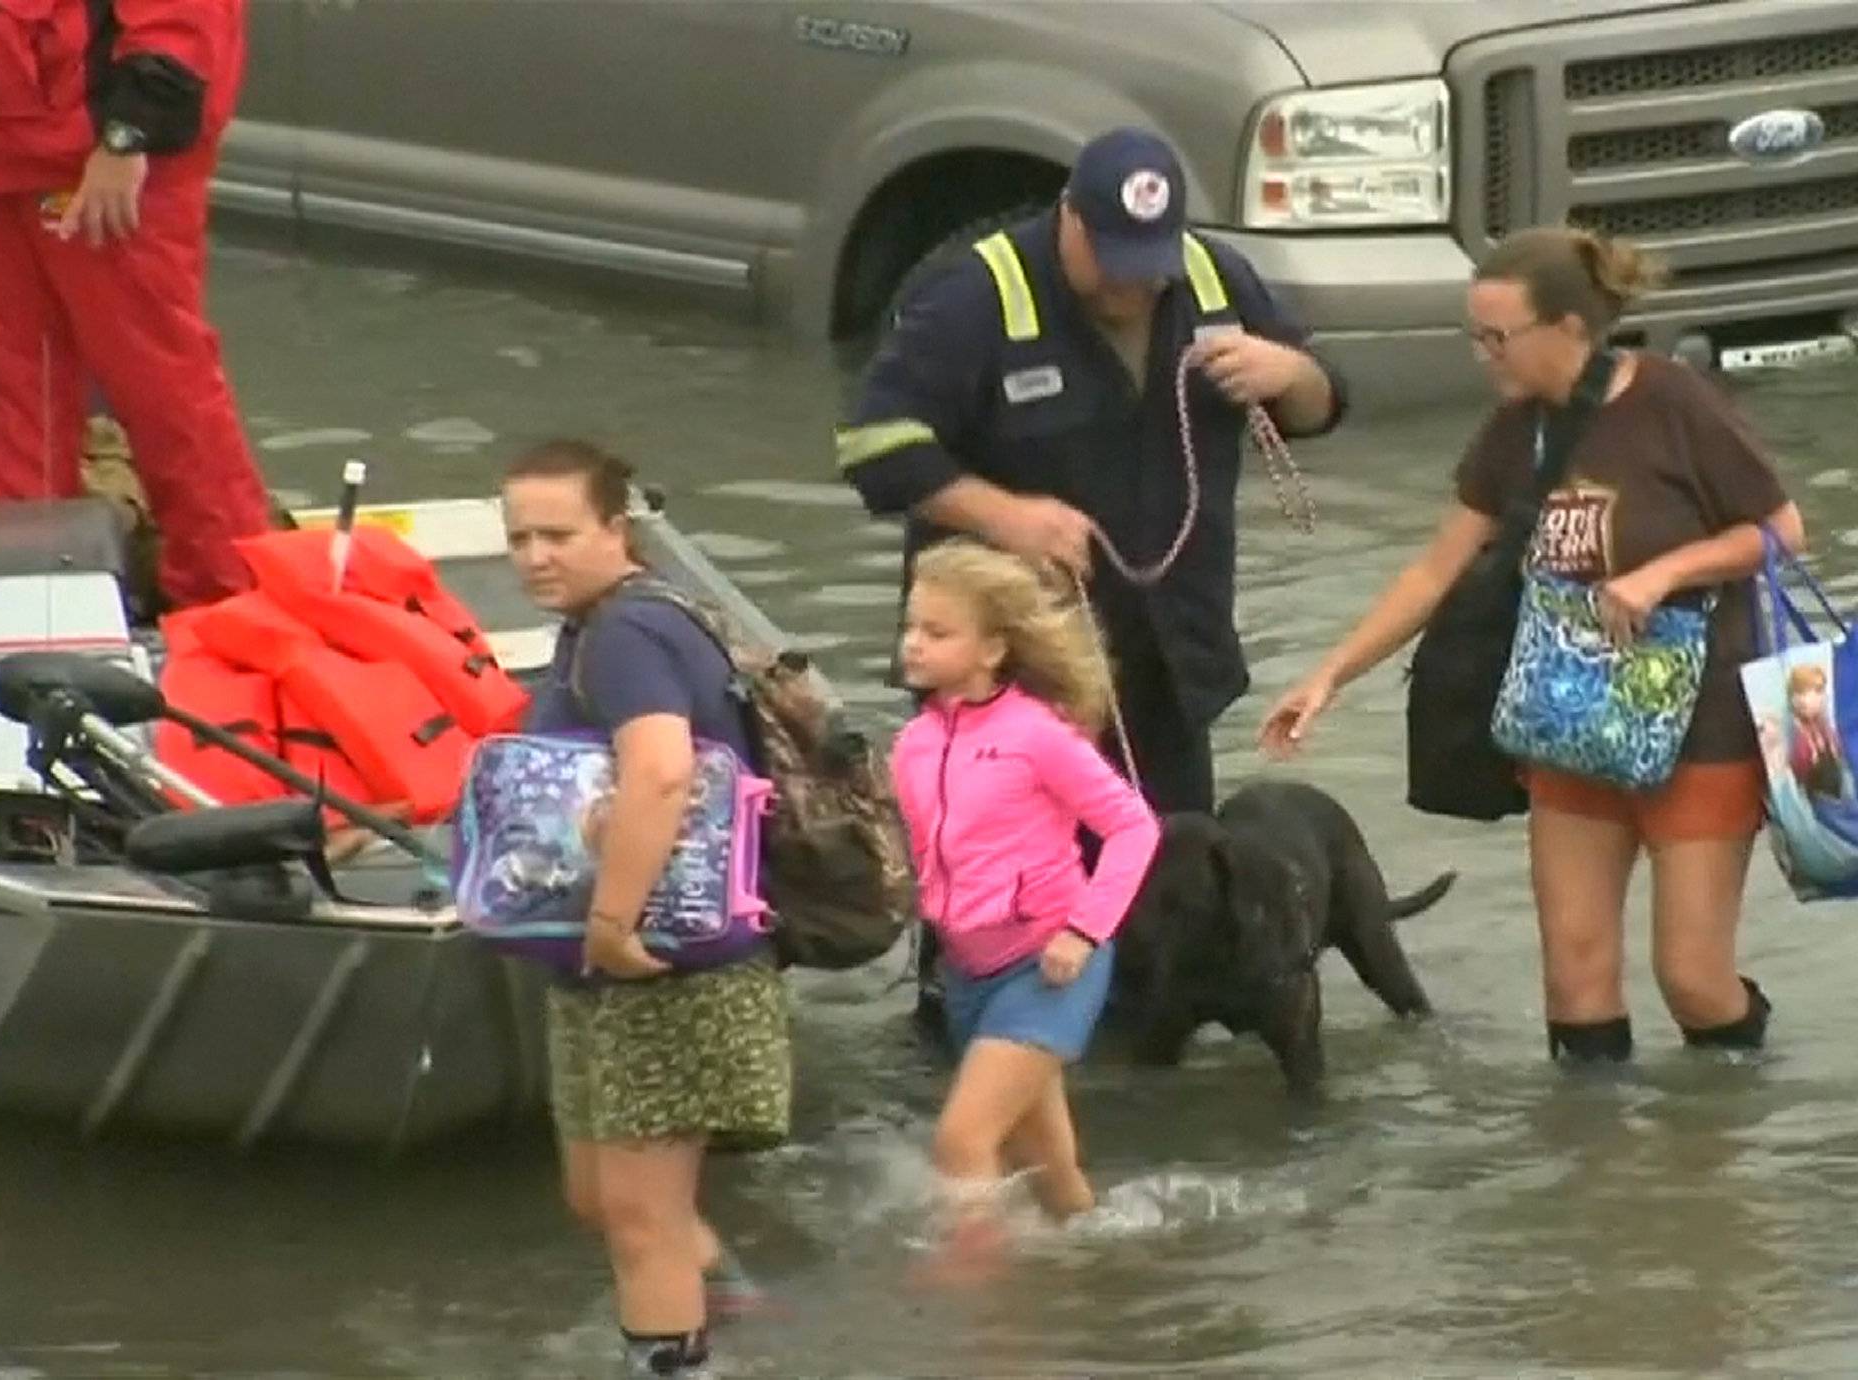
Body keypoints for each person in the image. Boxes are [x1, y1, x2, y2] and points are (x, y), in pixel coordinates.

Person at [1259, 227, 1807, 1064]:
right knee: (1574, 980)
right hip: (1569, 721)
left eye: (1498, 338)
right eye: (1473, 336)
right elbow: (1436, 570)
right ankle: (1592, 1168)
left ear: (1571, 330)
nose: (1483, 357)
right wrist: (1329, 676)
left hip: (1702, 727)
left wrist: (1663, 573)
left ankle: (1719, 1144)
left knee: (1691, 977)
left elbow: (1780, 531)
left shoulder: (1673, 402)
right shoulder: (1516, 430)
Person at [836, 125, 1344, 1026]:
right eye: (1110, 260)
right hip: (1015, 673)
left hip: (1166, 655)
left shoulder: (1215, 279)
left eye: (1149, 266)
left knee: (1168, 883)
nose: (1130, 285)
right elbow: (874, 447)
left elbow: (1321, 404)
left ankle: (1145, 1072)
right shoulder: (970, 295)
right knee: (1002, 896)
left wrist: (1291, 371)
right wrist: (1005, 515)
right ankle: (971, 1053)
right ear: (1067, 218)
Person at [502, 439, 793, 1379]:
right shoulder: (599, 625)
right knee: (600, 1197)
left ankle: (676, 1359)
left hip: (663, 961)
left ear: (616, 530)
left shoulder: (629, 633)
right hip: (607, 969)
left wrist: (611, 925)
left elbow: (662, 772)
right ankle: (732, 1301)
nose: (535, 557)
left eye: (558, 534)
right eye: (519, 538)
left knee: (641, 1220)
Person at [0, 0, 275, 608]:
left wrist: (127, 140)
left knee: (161, 386)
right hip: (3, 155)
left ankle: (228, 591)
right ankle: (21, 586)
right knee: (16, 388)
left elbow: (183, 22)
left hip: (102, 164)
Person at [889, 539, 1159, 1272]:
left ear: (993, 649)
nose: (913, 643)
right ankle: (1108, 1273)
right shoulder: (911, 744)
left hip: (1049, 965)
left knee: (961, 1142)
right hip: (968, 971)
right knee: (1046, 1164)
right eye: (911, 626)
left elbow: (1134, 827)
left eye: (937, 632)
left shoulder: (1038, 737)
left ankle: (988, 1315)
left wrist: (1083, 928)